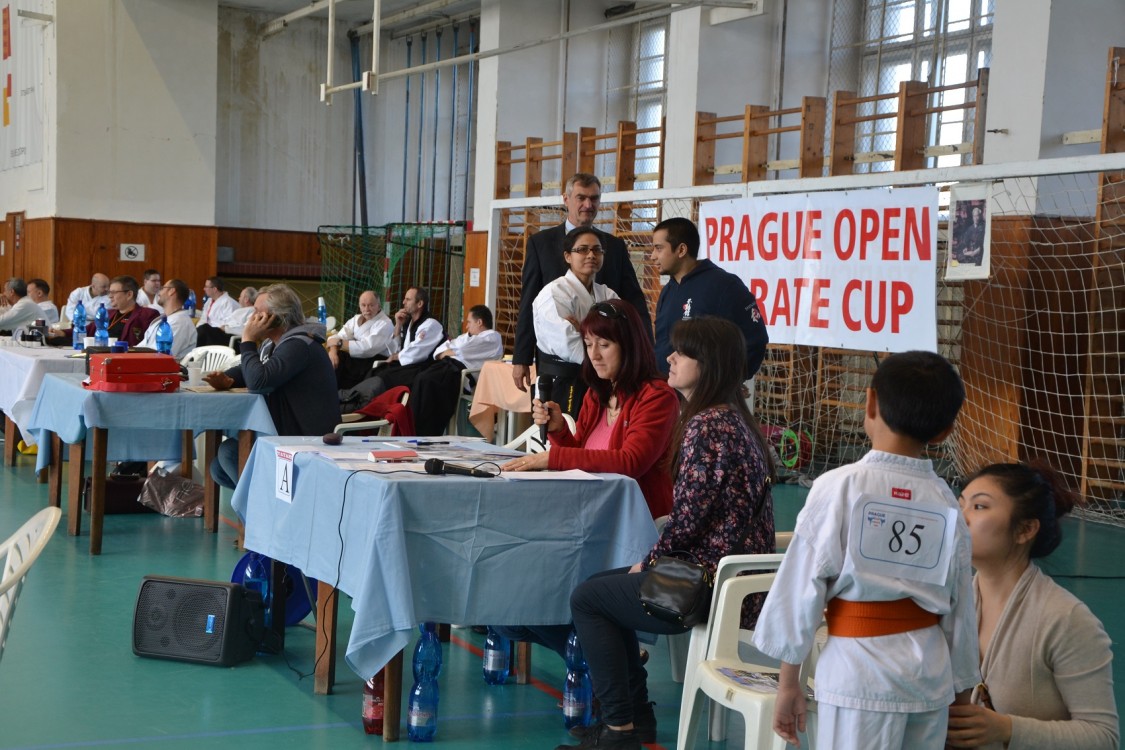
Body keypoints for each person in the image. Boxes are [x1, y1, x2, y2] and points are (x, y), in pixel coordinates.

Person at [552, 317, 776, 750]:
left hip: (705, 587)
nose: (670, 358)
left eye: (682, 352)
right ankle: (635, 719)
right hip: (730, 582)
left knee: (588, 599)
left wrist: (650, 562)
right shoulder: (735, 420)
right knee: (601, 589)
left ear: (708, 364)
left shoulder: (707, 426)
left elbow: (688, 518)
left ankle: (619, 730)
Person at [752, 350, 978, 750]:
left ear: (870, 402)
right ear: (945, 431)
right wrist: (960, 698)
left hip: (858, 675)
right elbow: (960, 607)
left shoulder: (840, 486)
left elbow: (801, 589)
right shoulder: (946, 501)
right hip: (929, 677)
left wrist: (789, 684)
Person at [947, 461, 1118, 749]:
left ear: (1025, 530)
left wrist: (1007, 729)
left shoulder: (1065, 618)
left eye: (979, 507)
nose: (959, 518)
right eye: (960, 504)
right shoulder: (950, 603)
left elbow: (1104, 738)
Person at [501, 299, 677, 519]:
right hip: (590, 511)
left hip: (634, 520)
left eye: (604, 345)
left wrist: (552, 458)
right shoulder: (597, 394)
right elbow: (582, 455)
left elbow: (631, 462)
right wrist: (559, 430)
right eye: (588, 344)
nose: (594, 355)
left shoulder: (657, 396)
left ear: (629, 345)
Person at [512, 173, 650, 393]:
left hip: (606, 367)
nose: (588, 205)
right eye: (581, 198)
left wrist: (646, 351)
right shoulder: (541, 243)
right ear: (566, 199)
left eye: (594, 198)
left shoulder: (614, 246)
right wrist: (521, 357)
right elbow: (528, 300)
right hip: (559, 366)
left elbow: (633, 303)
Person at [207, 283, 339, 489]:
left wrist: (248, 340)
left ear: (277, 317)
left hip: (305, 439)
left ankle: (265, 504)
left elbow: (259, 382)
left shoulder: (299, 345)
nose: (252, 318)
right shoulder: (273, 343)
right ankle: (264, 501)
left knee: (229, 452)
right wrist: (228, 379)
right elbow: (249, 369)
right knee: (218, 468)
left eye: (258, 313)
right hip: (282, 430)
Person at [650, 217, 768, 378]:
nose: (652, 256)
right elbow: (662, 345)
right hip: (665, 389)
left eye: (659, 248)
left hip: (705, 392)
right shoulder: (667, 291)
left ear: (681, 250)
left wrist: (728, 382)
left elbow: (755, 340)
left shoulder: (724, 285)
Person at [532, 226, 620, 417]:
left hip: (599, 380)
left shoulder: (607, 294)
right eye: (582, 249)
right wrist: (601, 339)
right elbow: (568, 344)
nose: (591, 255)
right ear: (568, 256)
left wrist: (583, 331)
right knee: (563, 432)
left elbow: (622, 335)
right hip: (562, 380)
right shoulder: (554, 293)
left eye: (597, 250)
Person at [337, 287, 444, 411]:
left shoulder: (431, 324)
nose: (403, 302)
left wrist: (396, 356)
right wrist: (398, 325)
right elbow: (395, 349)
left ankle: (353, 403)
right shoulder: (410, 323)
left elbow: (416, 352)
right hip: (405, 365)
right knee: (376, 372)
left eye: (408, 299)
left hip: (420, 369)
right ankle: (349, 399)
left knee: (383, 377)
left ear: (419, 304)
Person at [410, 304, 504, 436]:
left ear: (479, 322)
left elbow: (462, 349)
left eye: (469, 322)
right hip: (446, 365)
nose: (467, 326)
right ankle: (412, 427)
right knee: (418, 378)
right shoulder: (466, 337)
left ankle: (425, 432)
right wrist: (449, 351)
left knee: (427, 381)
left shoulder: (492, 337)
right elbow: (441, 349)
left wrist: (450, 350)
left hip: (459, 373)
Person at [50, 275, 158, 348]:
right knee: (52, 340)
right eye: (109, 292)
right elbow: (87, 330)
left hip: (123, 357)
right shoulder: (108, 313)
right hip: (98, 350)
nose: (110, 296)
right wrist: (62, 332)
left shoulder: (147, 315)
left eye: (114, 292)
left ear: (129, 294)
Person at [326, 290, 395, 389]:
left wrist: (340, 343)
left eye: (371, 305)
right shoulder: (356, 319)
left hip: (374, 362)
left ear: (379, 306)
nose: (367, 309)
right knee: (333, 357)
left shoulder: (385, 323)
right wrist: (333, 352)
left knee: (340, 358)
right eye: (363, 305)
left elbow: (366, 348)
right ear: (359, 306)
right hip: (357, 362)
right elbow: (337, 337)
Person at [138, 279, 197, 360]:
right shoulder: (165, 319)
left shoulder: (180, 322)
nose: (159, 293)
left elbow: (162, 356)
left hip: (160, 365)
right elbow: (141, 347)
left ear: (171, 291)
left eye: (162, 288)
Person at [194, 277, 242, 346]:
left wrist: (208, 328)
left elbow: (229, 324)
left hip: (223, 335)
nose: (204, 289)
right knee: (199, 329)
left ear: (214, 289)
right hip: (208, 333)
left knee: (204, 328)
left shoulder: (229, 303)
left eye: (206, 287)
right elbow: (203, 319)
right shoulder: (209, 301)